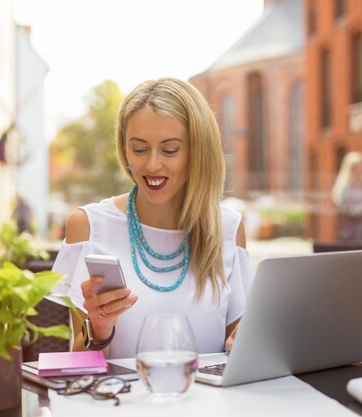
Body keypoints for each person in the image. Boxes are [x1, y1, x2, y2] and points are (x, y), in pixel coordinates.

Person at [49, 78, 252, 359]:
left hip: (210, 400)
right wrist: (100, 328)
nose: (152, 164)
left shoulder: (228, 228)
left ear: (198, 152)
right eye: (140, 149)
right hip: (119, 401)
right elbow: (81, 361)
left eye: (170, 150)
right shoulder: (87, 226)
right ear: (124, 148)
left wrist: (255, 337)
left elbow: (239, 352)